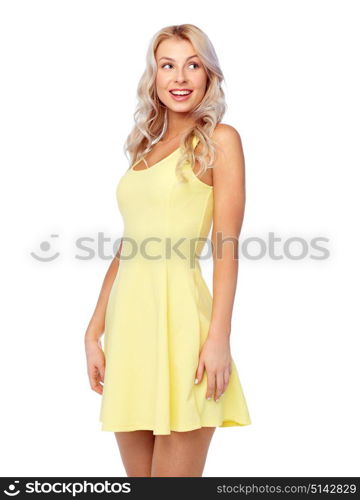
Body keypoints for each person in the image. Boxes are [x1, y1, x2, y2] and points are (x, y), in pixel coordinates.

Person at [84, 23, 251, 477]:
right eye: (168, 65)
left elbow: (226, 246)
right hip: (130, 329)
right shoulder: (145, 148)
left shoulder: (220, 141)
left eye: (192, 64)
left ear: (208, 74)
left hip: (183, 328)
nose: (180, 77)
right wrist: (93, 330)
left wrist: (219, 338)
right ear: (154, 77)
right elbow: (130, 244)